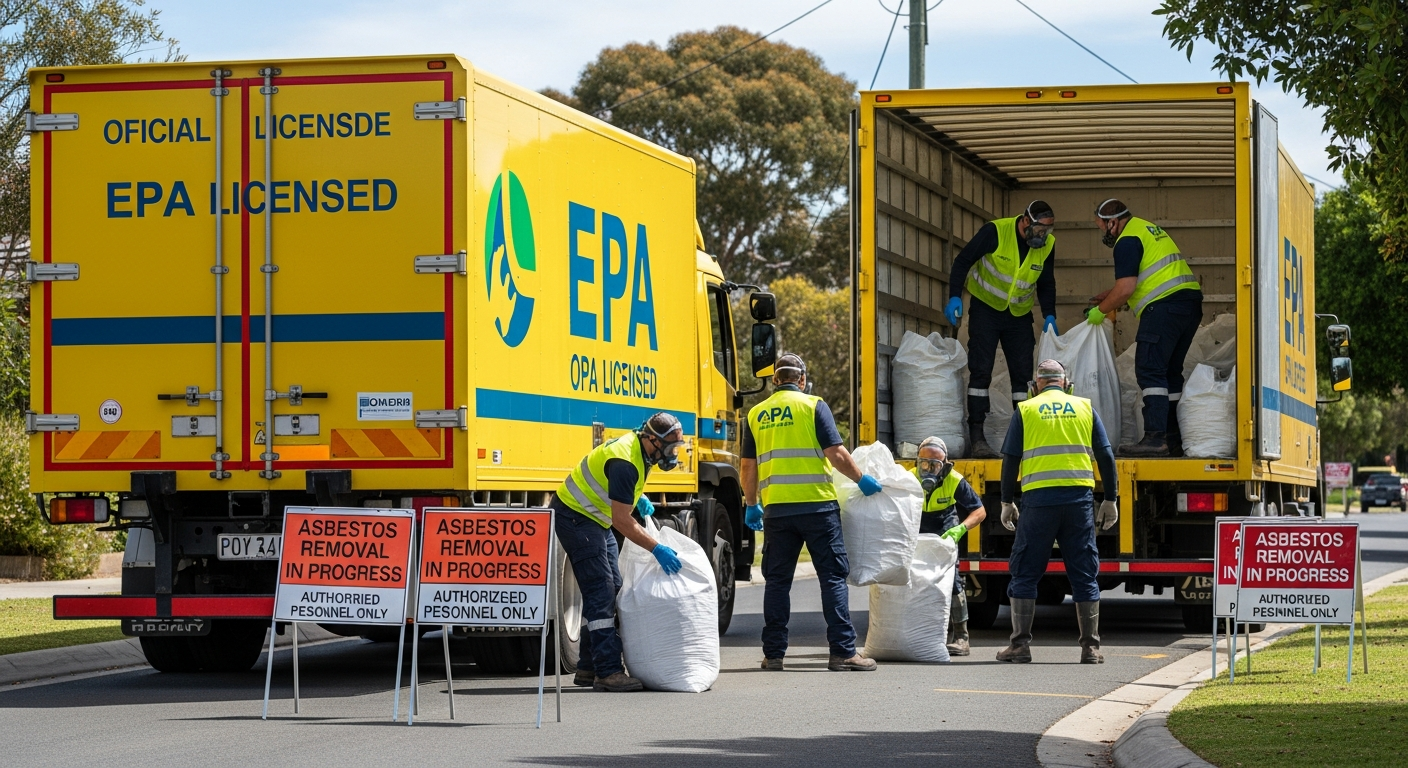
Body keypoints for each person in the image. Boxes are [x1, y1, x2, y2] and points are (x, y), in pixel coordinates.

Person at [741, 353, 880, 672]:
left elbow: (747, 465)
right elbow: (836, 454)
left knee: (777, 582)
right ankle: (843, 652)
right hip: (818, 508)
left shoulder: (756, 413)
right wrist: (862, 479)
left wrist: (752, 504)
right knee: (832, 578)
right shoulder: (814, 405)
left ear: (774, 380)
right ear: (801, 379)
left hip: (777, 511)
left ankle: (773, 655)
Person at [996, 360, 1120, 664]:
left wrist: (1006, 500)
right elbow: (1105, 454)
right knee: (1083, 572)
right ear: (1066, 384)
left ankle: (1020, 646)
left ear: (1036, 385)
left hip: (1038, 502)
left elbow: (1011, 459)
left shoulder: (1026, 410)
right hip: (1078, 501)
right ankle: (1090, 647)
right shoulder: (1084, 408)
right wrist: (1110, 498)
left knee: (1025, 571)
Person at [553, 412, 686, 692]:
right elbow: (623, 521)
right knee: (600, 590)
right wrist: (656, 547)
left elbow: (617, 496)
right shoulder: (626, 460)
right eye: (670, 447)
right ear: (652, 440)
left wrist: (638, 499)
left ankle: (588, 667)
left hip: (595, 518)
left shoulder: (641, 451)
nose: (672, 454)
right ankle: (608, 670)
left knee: (612, 586)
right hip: (576, 517)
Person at [1086, 199, 1204, 457]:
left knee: (1150, 369)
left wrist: (1100, 311)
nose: (1102, 233)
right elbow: (1146, 278)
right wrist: (1111, 295)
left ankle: (1154, 438)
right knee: (1170, 374)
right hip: (1188, 306)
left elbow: (1126, 288)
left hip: (1164, 309)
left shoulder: (1126, 240)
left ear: (1113, 223)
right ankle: (1173, 439)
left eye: (1101, 227)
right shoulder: (1147, 228)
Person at [945, 200, 1060, 459]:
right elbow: (963, 261)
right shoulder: (995, 232)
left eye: (1048, 231)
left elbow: (1046, 282)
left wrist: (1049, 314)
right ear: (1025, 221)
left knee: (1023, 379)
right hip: (986, 309)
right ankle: (978, 437)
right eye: (1040, 230)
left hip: (1018, 316)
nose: (1043, 236)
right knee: (980, 371)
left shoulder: (1047, 246)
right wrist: (954, 296)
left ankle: (1024, 438)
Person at [911, 436, 986, 656]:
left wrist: (961, 529)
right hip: (918, 526)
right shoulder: (908, 478)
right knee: (914, 580)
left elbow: (979, 511)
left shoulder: (954, 480)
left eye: (935, 465)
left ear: (945, 466)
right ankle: (920, 633)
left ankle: (961, 637)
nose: (928, 469)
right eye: (924, 463)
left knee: (951, 579)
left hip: (945, 527)